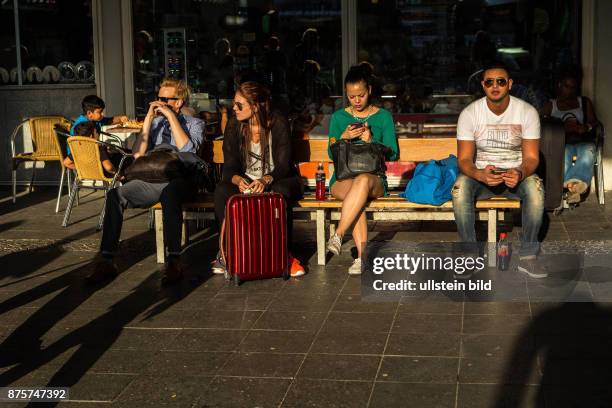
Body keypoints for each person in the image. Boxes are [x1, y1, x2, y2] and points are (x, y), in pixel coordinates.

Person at [90, 78, 204, 286]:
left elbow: (188, 149)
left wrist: (170, 116)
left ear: (178, 102)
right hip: (153, 176)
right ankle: (106, 260)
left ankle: (174, 260)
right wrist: (149, 121)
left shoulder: (195, 123)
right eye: (158, 98)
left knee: (170, 195)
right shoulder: (155, 124)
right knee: (115, 195)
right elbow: (137, 154)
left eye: (165, 99)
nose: (159, 102)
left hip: (180, 178)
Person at [453, 61, 545, 278]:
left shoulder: (527, 112)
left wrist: (521, 172)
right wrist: (478, 174)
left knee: (536, 189)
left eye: (501, 81)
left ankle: (528, 257)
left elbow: (531, 158)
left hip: (516, 174)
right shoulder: (470, 113)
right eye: (489, 82)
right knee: (459, 189)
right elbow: (464, 159)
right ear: (483, 86)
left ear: (509, 84)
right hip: (483, 174)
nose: (495, 86)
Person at [212, 81, 305, 277]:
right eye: (233, 105)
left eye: (239, 105)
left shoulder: (277, 122)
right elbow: (229, 167)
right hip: (247, 179)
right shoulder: (234, 125)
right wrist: (238, 180)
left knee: (281, 192)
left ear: (255, 106)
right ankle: (227, 252)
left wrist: (265, 180)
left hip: (278, 178)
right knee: (222, 191)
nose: (234, 109)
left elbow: (283, 166)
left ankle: (285, 255)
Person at [326, 65, 399, 275]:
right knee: (356, 198)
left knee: (362, 183)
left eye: (361, 95)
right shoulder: (339, 118)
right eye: (351, 97)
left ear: (369, 91)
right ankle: (362, 258)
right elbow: (332, 155)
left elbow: (393, 153)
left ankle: (339, 234)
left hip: (373, 178)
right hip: (343, 178)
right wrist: (343, 138)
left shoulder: (383, 116)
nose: (357, 100)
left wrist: (372, 140)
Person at [541, 68, 599, 204]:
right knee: (565, 154)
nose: (570, 91)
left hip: (582, 140)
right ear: (559, 85)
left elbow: (594, 122)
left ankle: (571, 186)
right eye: (567, 86)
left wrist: (585, 127)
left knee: (588, 151)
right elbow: (541, 126)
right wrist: (561, 128)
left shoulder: (583, 102)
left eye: (573, 87)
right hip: (561, 143)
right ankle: (575, 187)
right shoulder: (551, 105)